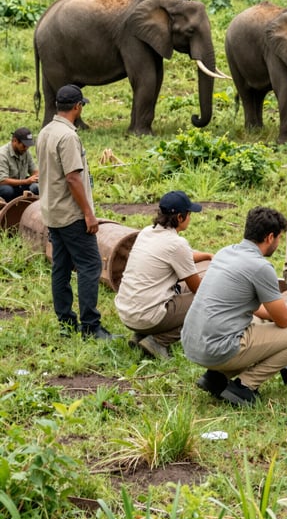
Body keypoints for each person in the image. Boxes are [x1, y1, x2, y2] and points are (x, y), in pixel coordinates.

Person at [181, 206, 287, 407]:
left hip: (192, 342)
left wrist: (280, 309)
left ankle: (216, 377)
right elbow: (285, 320)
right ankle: (244, 386)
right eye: (279, 238)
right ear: (270, 237)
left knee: (258, 319)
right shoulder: (260, 267)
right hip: (216, 349)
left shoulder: (225, 252)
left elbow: (245, 306)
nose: (279, 243)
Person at [36, 84, 113, 340]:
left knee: (61, 267)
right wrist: (88, 214)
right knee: (90, 265)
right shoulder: (68, 136)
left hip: (52, 212)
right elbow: (72, 178)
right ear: (78, 107)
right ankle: (91, 326)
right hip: (71, 214)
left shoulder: (46, 131)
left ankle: (66, 323)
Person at [115, 191, 214, 360]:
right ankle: (158, 341)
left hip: (127, 312)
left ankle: (140, 336)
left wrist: (207, 256)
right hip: (147, 317)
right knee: (207, 301)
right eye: (189, 214)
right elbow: (197, 289)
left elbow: (181, 257)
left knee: (179, 290)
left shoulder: (147, 232)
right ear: (180, 217)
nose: (190, 217)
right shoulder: (177, 244)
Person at [0, 127, 39, 201]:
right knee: (7, 190)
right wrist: (26, 181)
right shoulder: (2, 154)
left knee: (36, 187)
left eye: (28, 146)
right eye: (24, 145)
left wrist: (37, 177)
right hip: (5, 186)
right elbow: (2, 180)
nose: (26, 148)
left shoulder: (25, 152)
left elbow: (34, 171)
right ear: (15, 141)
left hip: (20, 185)